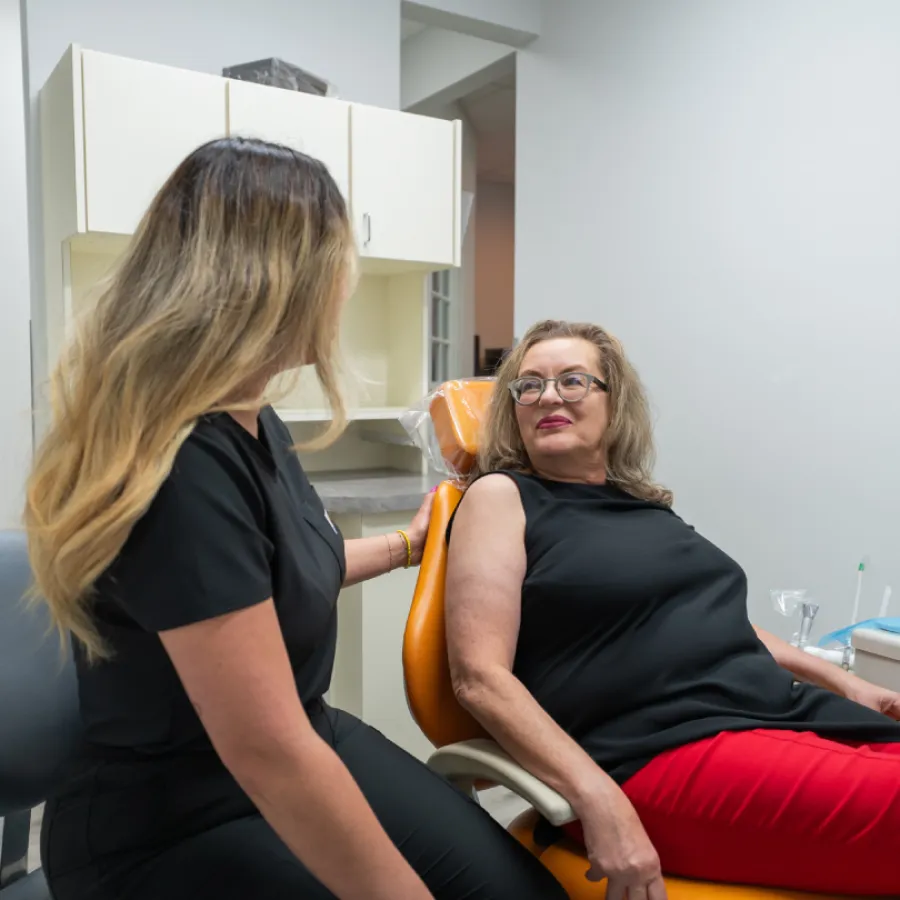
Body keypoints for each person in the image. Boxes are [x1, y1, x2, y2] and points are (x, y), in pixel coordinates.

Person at [24, 138, 566, 900]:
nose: (347, 286)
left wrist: (412, 543)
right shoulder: (183, 465)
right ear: (284, 279)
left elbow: (273, 577)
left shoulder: (254, 416)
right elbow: (269, 753)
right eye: (339, 262)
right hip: (172, 816)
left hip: (306, 731)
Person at [445, 319, 900, 899]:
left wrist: (843, 682)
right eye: (528, 386)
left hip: (781, 713)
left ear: (616, 404)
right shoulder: (502, 497)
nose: (549, 396)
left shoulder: (643, 506)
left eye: (573, 380)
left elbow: (718, 622)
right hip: (661, 748)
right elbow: (478, 679)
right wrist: (599, 799)